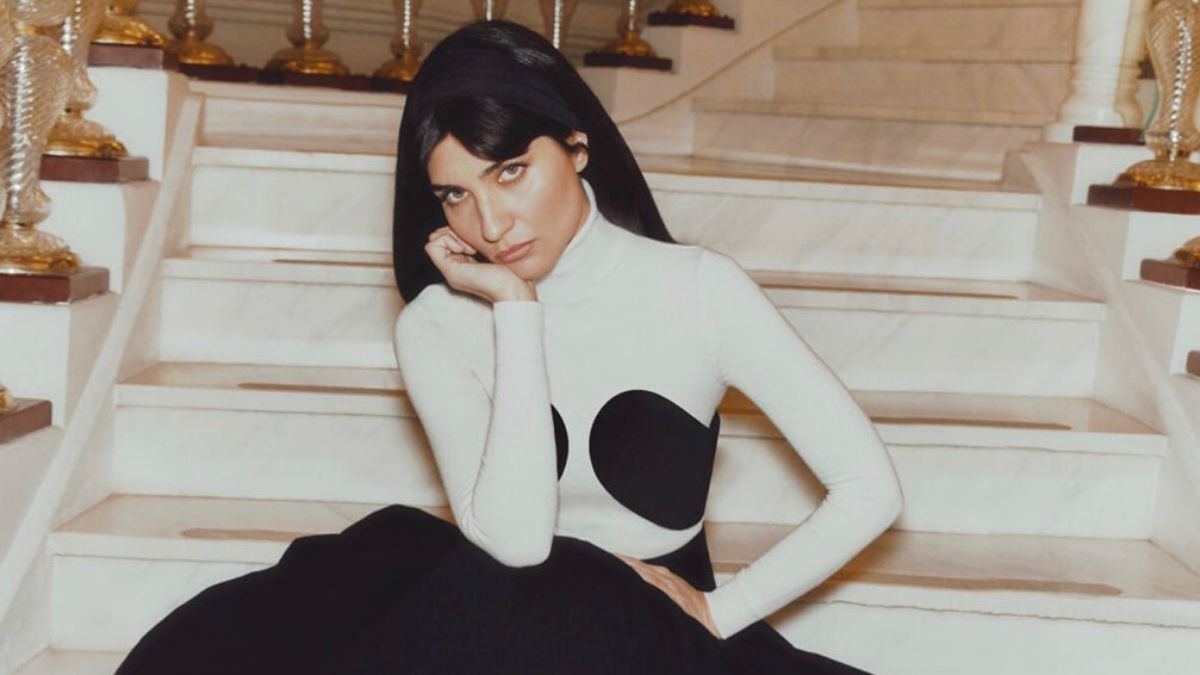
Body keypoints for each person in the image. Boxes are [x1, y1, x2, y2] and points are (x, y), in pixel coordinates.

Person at [115, 19, 904, 675]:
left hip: (649, 634)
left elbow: (870, 488)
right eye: (456, 194)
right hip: (495, 613)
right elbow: (522, 544)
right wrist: (516, 311)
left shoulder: (699, 290)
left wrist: (722, 611)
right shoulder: (436, 325)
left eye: (512, 172)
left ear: (578, 147)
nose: (490, 225)